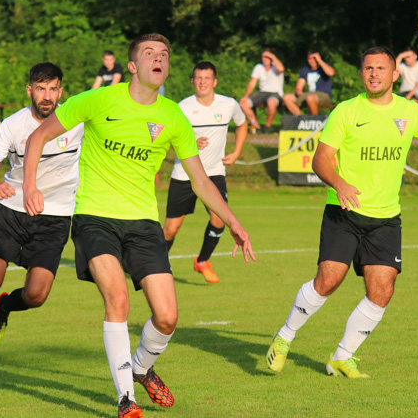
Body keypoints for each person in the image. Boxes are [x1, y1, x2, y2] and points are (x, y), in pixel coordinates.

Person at [22, 34, 256, 418]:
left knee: (167, 317)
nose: (158, 58)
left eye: (164, 54)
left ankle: (142, 367)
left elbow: (199, 179)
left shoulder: (171, 115)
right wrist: (30, 185)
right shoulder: (99, 99)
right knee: (118, 299)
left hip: (144, 223)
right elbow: (38, 136)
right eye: (149, 53)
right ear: (133, 66)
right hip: (95, 218)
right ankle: (126, 398)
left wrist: (233, 222)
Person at [265, 47, 418, 379]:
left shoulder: (412, 113)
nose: (375, 74)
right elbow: (320, 160)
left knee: (382, 290)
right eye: (368, 68)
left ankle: (342, 357)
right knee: (328, 280)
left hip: (385, 218)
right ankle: (284, 339)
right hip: (344, 211)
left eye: (381, 68)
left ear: (395, 75)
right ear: (361, 74)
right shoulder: (345, 111)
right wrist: (339, 183)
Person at [0, 62, 83, 372]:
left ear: (60, 91)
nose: (46, 96)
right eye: (40, 88)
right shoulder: (13, 125)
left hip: (55, 218)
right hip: (11, 213)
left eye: (52, 89)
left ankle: (5, 306)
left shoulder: (77, 123)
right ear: (29, 90)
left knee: (36, 295)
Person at [162, 61, 249, 284]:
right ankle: (157, 264)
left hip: (214, 173)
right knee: (171, 229)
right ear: (192, 81)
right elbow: (168, 137)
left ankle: (202, 261)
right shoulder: (181, 107)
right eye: (198, 78)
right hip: (185, 174)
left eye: (207, 78)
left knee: (220, 218)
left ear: (215, 82)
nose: (202, 82)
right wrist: (190, 141)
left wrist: (236, 152)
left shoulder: (228, 105)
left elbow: (242, 123)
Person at [239, 47, 285, 133]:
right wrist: (246, 96)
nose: (265, 59)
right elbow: (252, 83)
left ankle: (268, 126)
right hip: (262, 93)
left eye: (267, 57)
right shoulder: (258, 67)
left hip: (275, 93)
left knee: (271, 103)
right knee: (243, 104)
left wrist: (272, 56)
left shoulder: (276, 67)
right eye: (263, 57)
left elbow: (281, 69)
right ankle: (256, 125)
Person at [282, 49, 336, 116]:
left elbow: (331, 73)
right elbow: (299, 87)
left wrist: (319, 60)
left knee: (310, 98)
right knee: (286, 97)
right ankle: (299, 119)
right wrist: (298, 91)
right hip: (309, 94)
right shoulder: (305, 70)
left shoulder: (324, 66)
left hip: (324, 95)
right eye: (310, 59)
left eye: (314, 58)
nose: (312, 61)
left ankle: (315, 121)